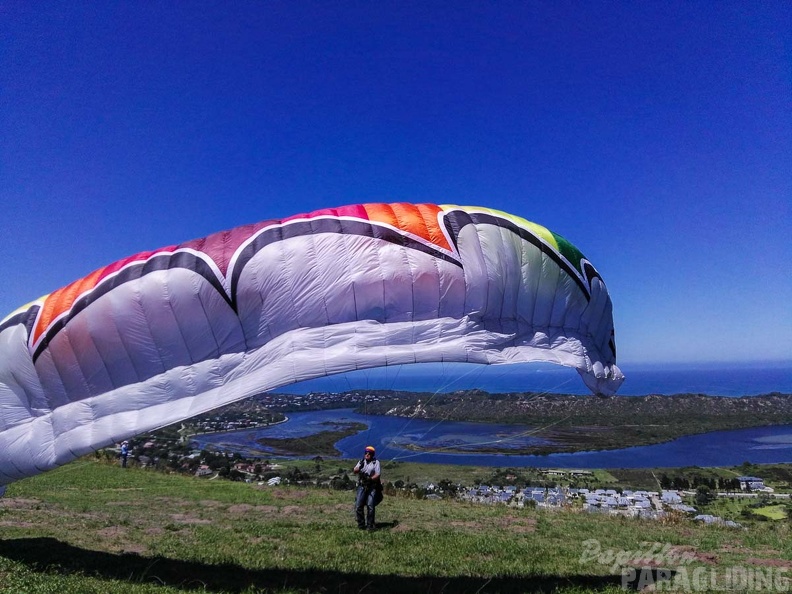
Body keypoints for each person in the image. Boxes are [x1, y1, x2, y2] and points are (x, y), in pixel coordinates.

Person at [353, 445, 382, 530]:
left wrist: (370, 479)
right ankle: (361, 525)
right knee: (358, 505)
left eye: (369, 453)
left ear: (372, 454)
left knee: (370, 506)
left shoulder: (376, 463)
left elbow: (377, 474)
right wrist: (359, 468)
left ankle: (370, 525)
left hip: (372, 487)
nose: (367, 455)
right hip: (362, 486)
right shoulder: (361, 461)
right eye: (366, 453)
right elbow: (354, 470)